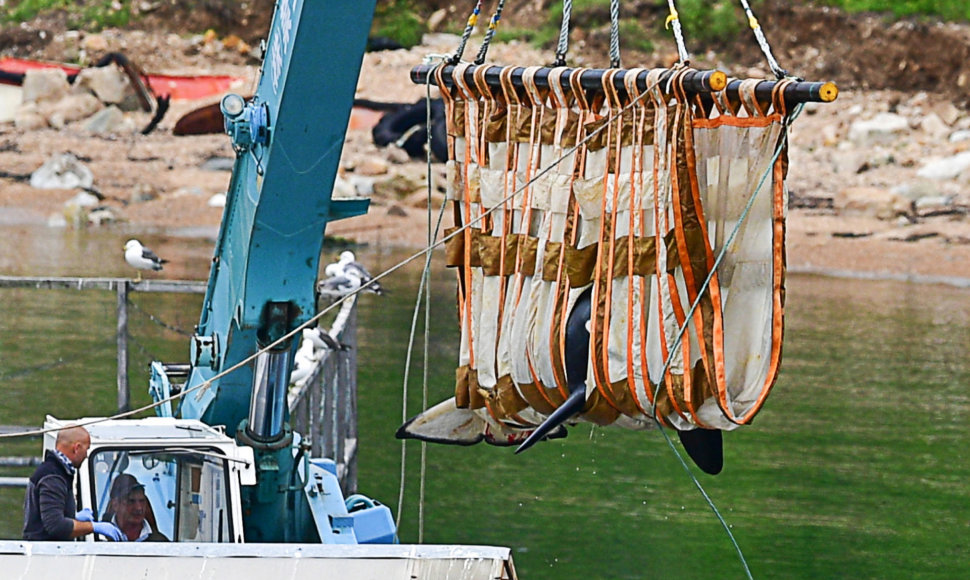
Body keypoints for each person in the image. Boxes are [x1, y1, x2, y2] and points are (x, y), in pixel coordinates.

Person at [22, 425, 124, 541]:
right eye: (86, 449)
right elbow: (55, 526)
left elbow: (47, 518)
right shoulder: (53, 477)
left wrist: (73, 518)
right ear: (77, 448)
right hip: (45, 555)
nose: (86, 456)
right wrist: (93, 527)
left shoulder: (55, 471)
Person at [104, 474, 169, 542]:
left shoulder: (161, 543)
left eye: (142, 501)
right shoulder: (100, 538)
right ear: (115, 505)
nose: (139, 508)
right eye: (131, 501)